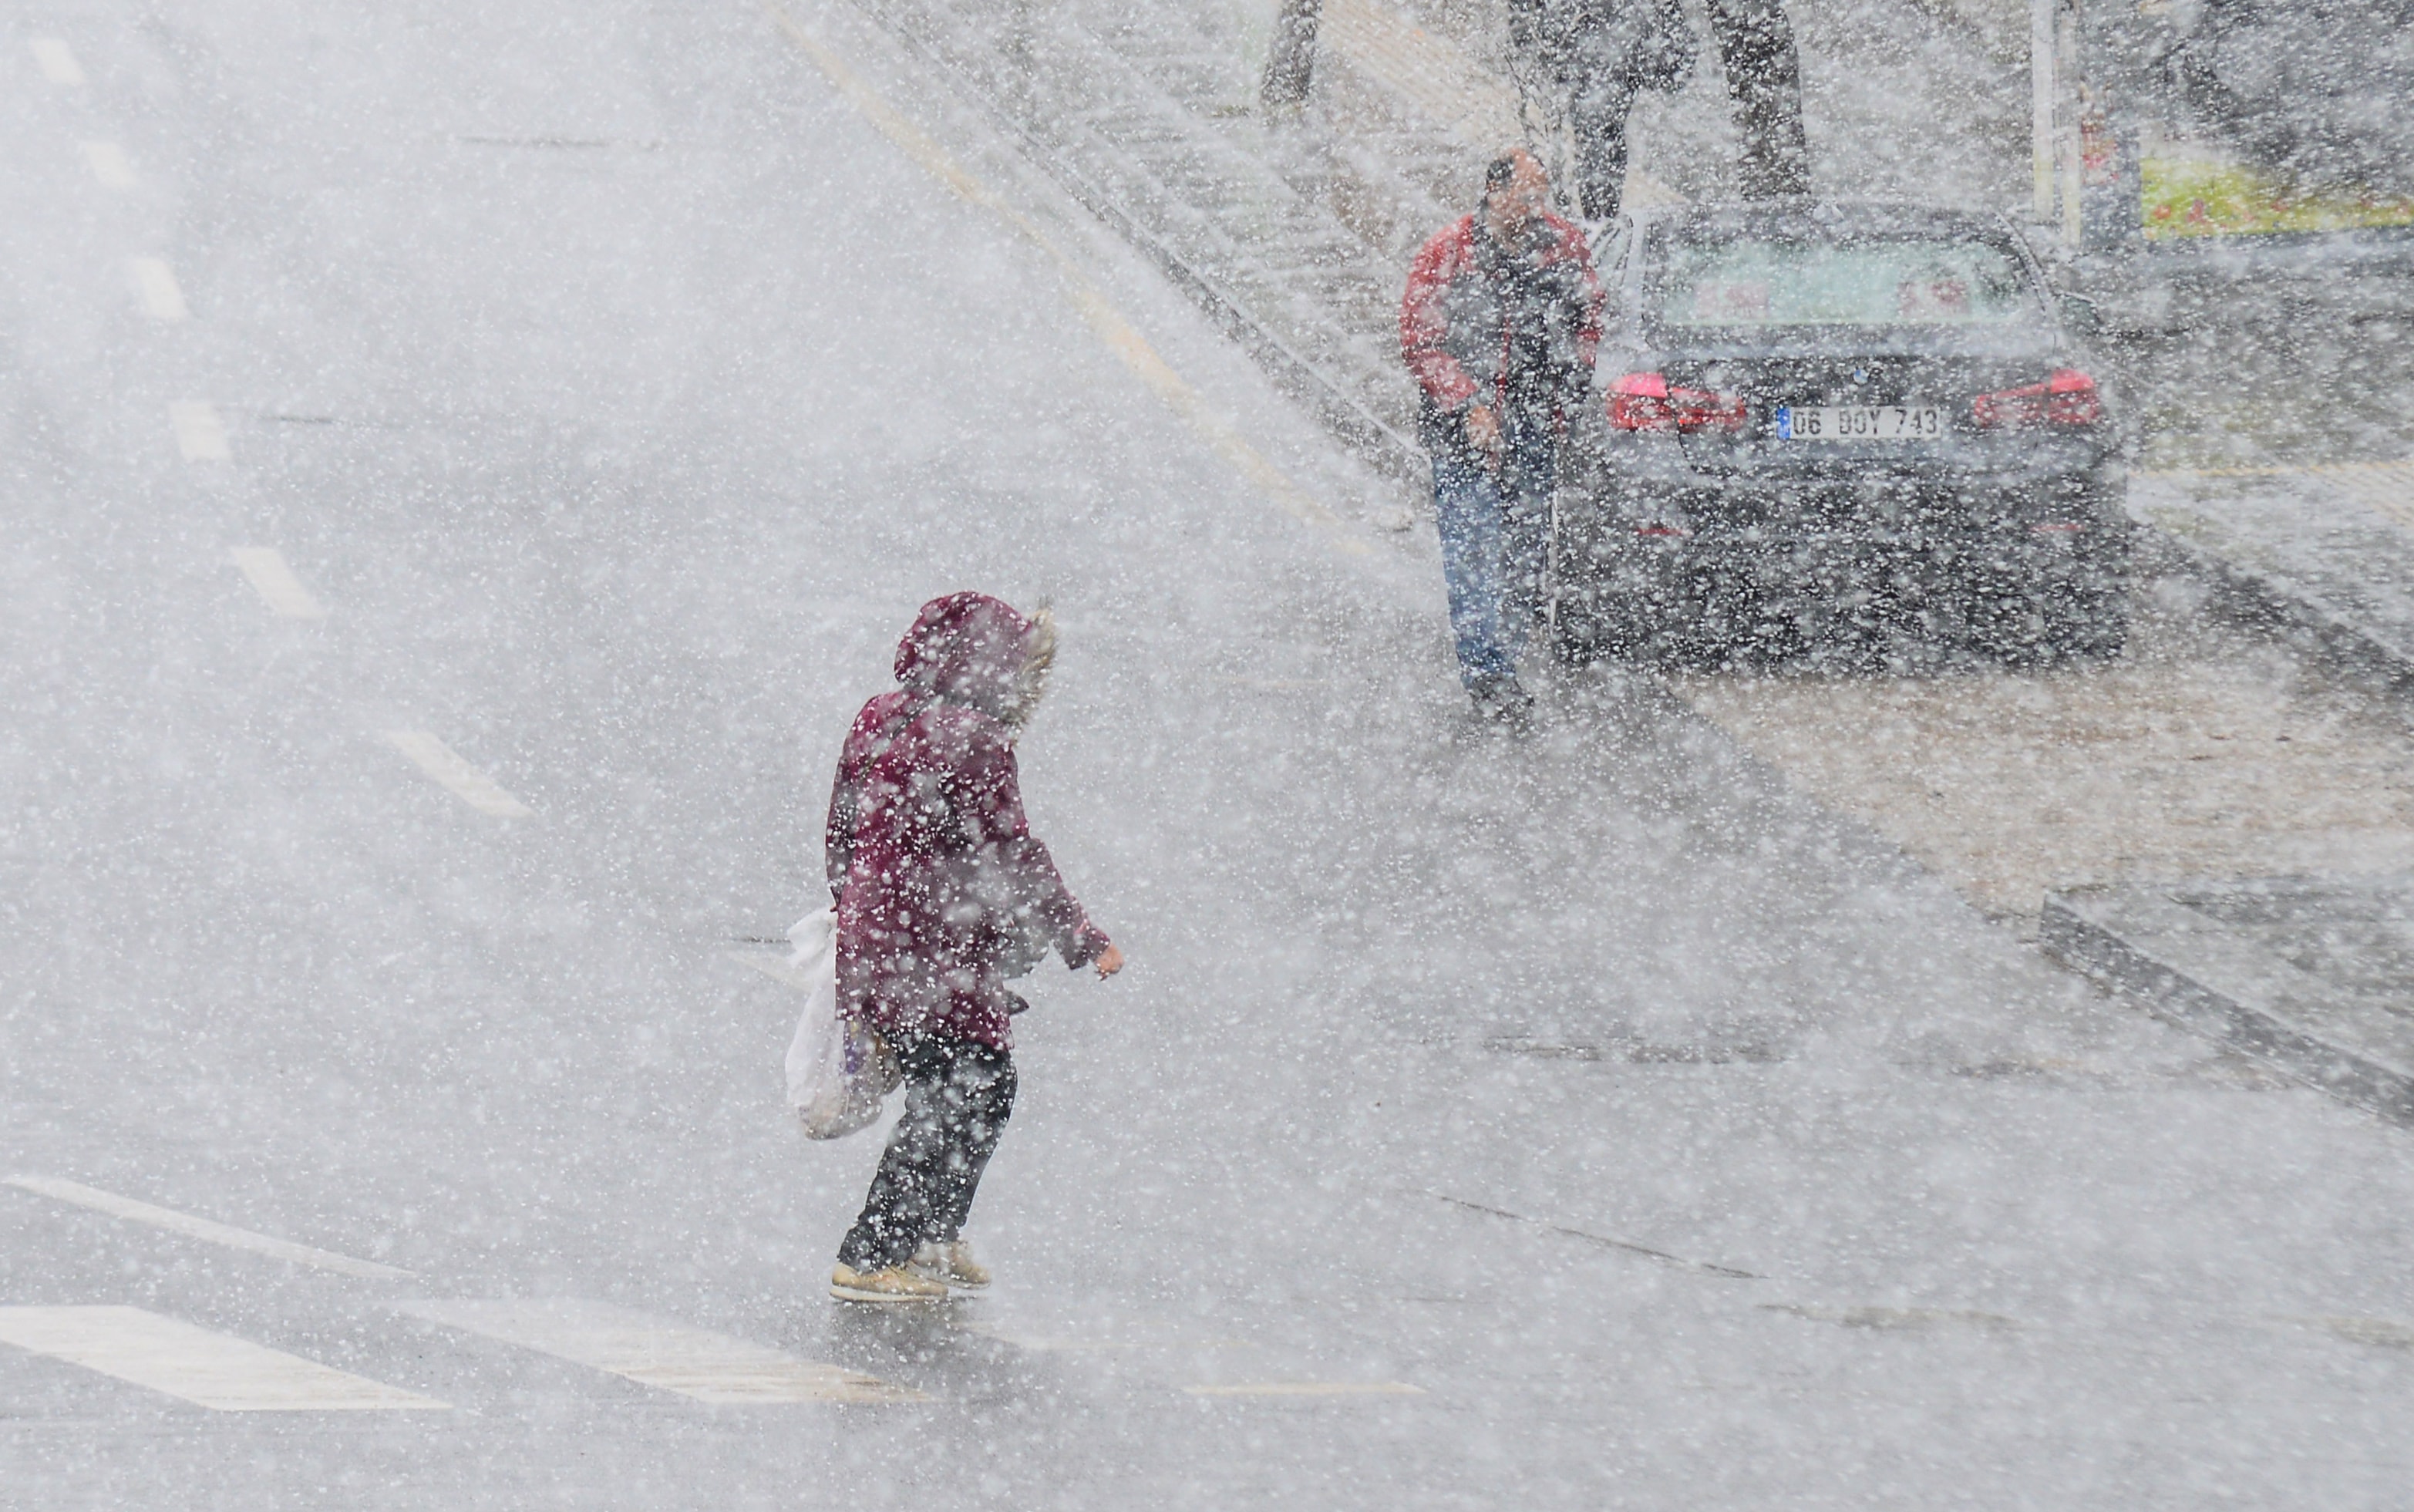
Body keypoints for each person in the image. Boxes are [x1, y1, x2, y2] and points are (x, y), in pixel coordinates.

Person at [821, 592, 1125, 1302]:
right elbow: (1012, 850)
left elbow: (841, 823)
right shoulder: (974, 739)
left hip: (886, 933)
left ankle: (932, 1234)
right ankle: (872, 1253)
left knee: (977, 1083)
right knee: (959, 1087)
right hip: (934, 943)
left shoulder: (878, 715)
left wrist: (851, 905)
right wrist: (1082, 937)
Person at [1399, 149, 1604, 724]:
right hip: (1460, 434)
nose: (1536, 206)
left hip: (1534, 426)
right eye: (1526, 194)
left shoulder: (1562, 246)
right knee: (1471, 548)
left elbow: (1589, 319)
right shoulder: (1447, 251)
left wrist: (1566, 389)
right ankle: (1486, 671)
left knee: (1523, 553)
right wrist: (1467, 403)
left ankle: (1504, 656)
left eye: (1543, 195)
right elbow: (1420, 339)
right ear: (1494, 191)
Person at [1510, 0, 1810, 222]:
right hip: (1601, 52)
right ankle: (1599, 216)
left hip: (1618, 50)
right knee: (1599, 133)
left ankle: (1599, 217)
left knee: (1600, 133)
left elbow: (1674, 64)